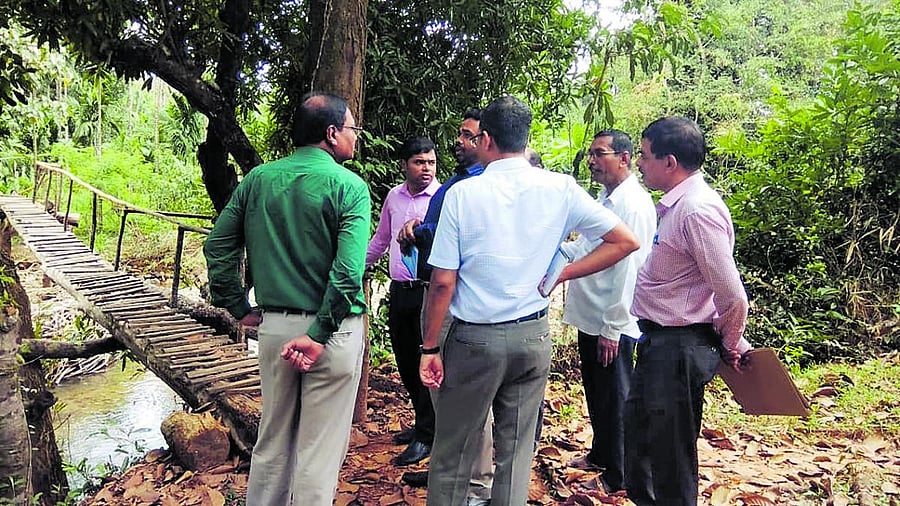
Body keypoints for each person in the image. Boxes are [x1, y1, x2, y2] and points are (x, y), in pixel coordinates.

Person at [419, 95, 641, 505]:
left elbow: (443, 283)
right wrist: (561, 274)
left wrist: (430, 346)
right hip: (533, 337)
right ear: (525, 138)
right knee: (517, 453)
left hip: (475, 340)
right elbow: (625, 241)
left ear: (486, 139)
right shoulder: (560, 188)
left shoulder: (464, 195)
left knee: (453, 452)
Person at [203, 93, 370, 506]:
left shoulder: (258, 180)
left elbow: (218, 247)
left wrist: (238, 306)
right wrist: (319, 334)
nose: (355, 137)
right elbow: (348, 272)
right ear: (331, 135)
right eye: (352, 129)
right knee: (319, 450)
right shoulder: (349, 187)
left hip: (274, 329)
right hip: (333, 335)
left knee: (272, 440)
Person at [625, 116, 751, 505]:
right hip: (659, 344)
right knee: (641, 443)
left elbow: (732, 295)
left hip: (678, 349)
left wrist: (729, 342)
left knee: (671, 457)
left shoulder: (696, 211)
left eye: (644, 157)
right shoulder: (677, 208)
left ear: (670, 162)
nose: (639, 164)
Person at [397, 109, 495, 506]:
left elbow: (458, 240)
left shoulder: (478, 188)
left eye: (467, 136)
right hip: (439, 297)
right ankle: (450, 470)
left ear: (486, 141)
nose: (458, 141)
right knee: (444, 393)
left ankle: (476, 485)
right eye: (459, 134)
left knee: (469, 397)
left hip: (458, 301)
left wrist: (419, 232)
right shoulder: (456, 185)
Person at [561, 130, 657, 494]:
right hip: (591, 311)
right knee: (597, 391)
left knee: (616, 396)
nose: (592, 161)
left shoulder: (633, 204)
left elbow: (631, 270)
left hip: (611, 317)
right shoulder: (605, 198)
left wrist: (614, 327)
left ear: (625, 158)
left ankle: (618, 473)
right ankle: (600, 453)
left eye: (600, 154)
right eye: (591, 154)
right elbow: (586, 245)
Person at [366, 136, 441, 466]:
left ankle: (428, 435)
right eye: (419, 162)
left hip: (430, 290)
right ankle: (421, 424)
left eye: (431, 163)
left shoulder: (442, 197)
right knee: (407, 362)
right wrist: (354, 269)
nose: (426, 169)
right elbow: (382, 239)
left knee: (428, 361)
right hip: (400, 290)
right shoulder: (394, 197)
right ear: (404, 165)